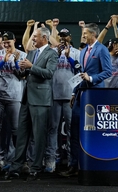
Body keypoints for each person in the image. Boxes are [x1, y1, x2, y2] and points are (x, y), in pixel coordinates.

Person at [4, 27, 58, 180]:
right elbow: (24, 75)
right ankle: (16, 167)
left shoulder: (52, 54)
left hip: (41, 99)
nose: (33, 39)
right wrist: (19, 67)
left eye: (35, 36)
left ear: (44, 38)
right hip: (27, 98)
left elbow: (49, 74)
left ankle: (35, 168)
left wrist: (31, 67)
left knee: (39, 136)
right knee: (22, 134)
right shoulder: (32, 53)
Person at [62, 21, 113, 177]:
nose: (82, 36)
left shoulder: (102, 49)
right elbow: (80, 73)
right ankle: (74, 165)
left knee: (94, 130)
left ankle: (94, 164)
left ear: (93, 34)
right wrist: (74, 93)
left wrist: (91, 78)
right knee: (75, 129)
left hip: (95, 95)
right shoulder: (83, 51)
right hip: (81, 94)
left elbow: (108, 72)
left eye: (85, 33)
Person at [0, 31, 25, 176]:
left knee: (16, 129)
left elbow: (22, 76)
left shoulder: (22, 55)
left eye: (9, 41)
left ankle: (19, 162)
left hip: (14, 95)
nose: (6, 44)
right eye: (4, 42)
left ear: (14, 40)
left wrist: (16, 62)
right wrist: (3, 61)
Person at [46, 28, 79, 171]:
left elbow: (79, 71)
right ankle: (53, 159)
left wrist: (69, 56)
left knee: (71, 128)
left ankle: (72, 160)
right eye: (61, 36)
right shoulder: (52, 52)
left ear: (70, 37)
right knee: (53, 128)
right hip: (54, 94)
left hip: (69, 95)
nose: (63, 39)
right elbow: (48, 70)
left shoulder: (76, 52)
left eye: (65, 36)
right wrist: (58, 54)